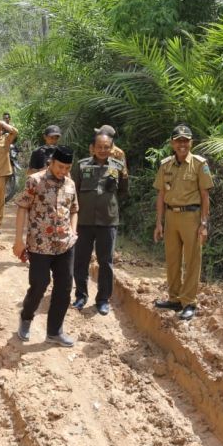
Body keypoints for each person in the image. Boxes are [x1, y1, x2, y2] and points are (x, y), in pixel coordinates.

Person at [13, 146, 79, 347]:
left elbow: (75, 209)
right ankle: (26, 317)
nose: (63, 171)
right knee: (39, 285)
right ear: (51, 162)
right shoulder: (35, 181)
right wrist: (18, 240)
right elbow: (22, 208)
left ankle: (54, 331)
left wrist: (73, 231)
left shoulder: (70, 184)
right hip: (40, 245)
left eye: (67, 168)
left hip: (65, 245)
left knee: (64, 288)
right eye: (60, 167)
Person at [153, 125, 214, 321]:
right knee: (172, 259)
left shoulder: (199, 164)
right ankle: (174, 298)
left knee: (192, 260)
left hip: (192, 217)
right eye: (178, 140)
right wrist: (159, 223)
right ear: (172, 143)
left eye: (186, 140)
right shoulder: (166, 165)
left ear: (191, 143)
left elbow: (205, 196)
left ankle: (189, 302)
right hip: (171, 217)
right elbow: (161, 194)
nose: (182, 144)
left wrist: (204, 224)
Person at [71, 132, 128, 315]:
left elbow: (123, 192)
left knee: (106, 262)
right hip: (84, 221)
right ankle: (81, 295)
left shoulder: (118, 167)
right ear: (93, 148)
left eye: (106, 147)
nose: (103, 150)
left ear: (112, 149)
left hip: (108, 221)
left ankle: (103, 299)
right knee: (81, 260)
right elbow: (73, 191)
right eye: (99, 147)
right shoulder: (81, 166)